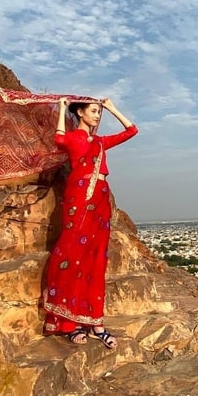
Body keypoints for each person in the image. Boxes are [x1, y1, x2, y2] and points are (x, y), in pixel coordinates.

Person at [41, 96, 138, 348]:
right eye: (93, 111)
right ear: (81, 113)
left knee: (95, 259)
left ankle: (96, 322)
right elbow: (59, 139)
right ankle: (69, 323)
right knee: (72, 254)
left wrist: (112, 108)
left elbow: (132, 130)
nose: (97, 116)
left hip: (100, 198)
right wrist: (63, 110)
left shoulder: (100, 142)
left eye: (98, 112)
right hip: (80, 197)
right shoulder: (74, 137)